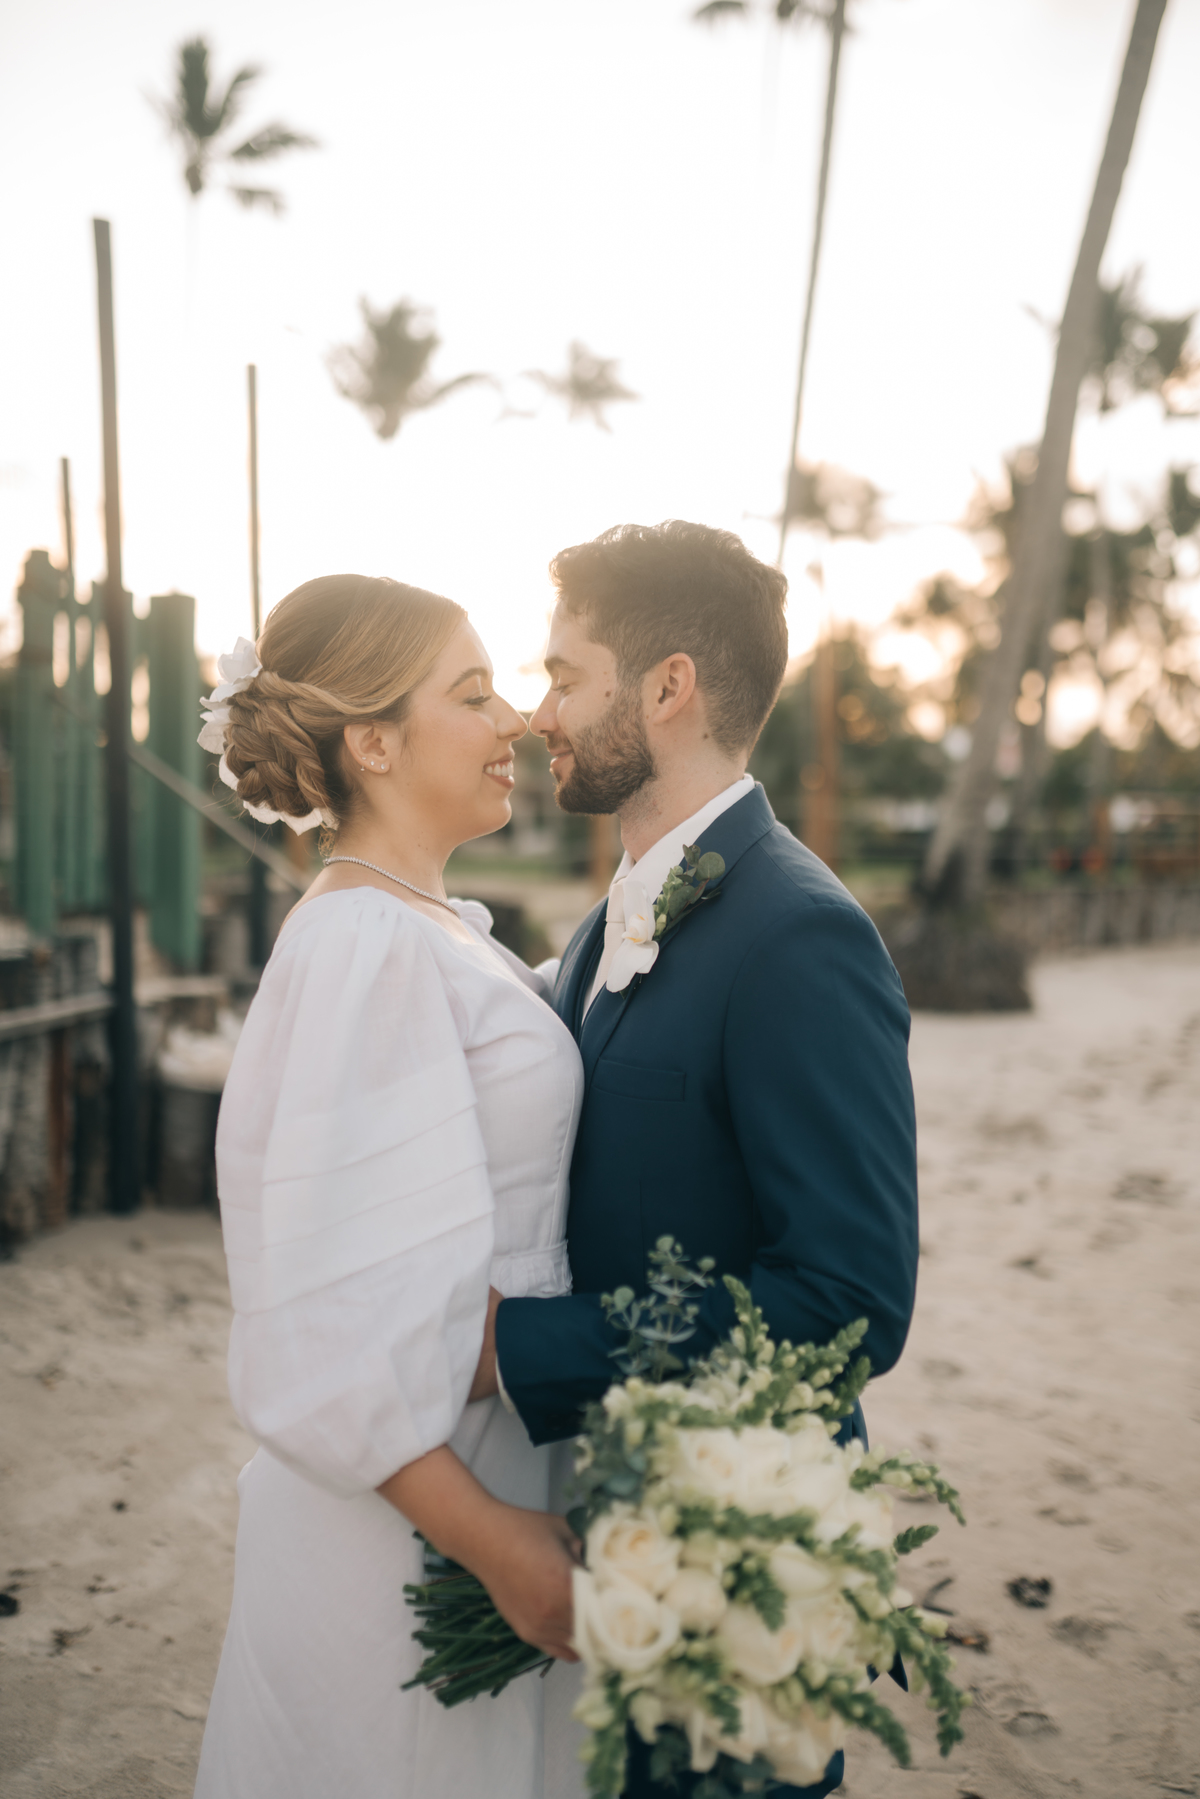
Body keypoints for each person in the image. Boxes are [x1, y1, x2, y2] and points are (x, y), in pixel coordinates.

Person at [480, 521, 920, 1799]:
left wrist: (524, 1348)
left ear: (667, 685)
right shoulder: (597, 926)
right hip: (593, 1541)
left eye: (566, 674)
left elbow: (849, 1296)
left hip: (730, 1562)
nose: (538, 709)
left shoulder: (801, 937)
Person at [194, 574, 584, 1799]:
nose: (515, 718)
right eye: (473, 695)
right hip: (412, 1532)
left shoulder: (430, 923)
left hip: (479, 1472)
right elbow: (324, 1322)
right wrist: (499, 1542)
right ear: (372, 741)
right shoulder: (360, 944)